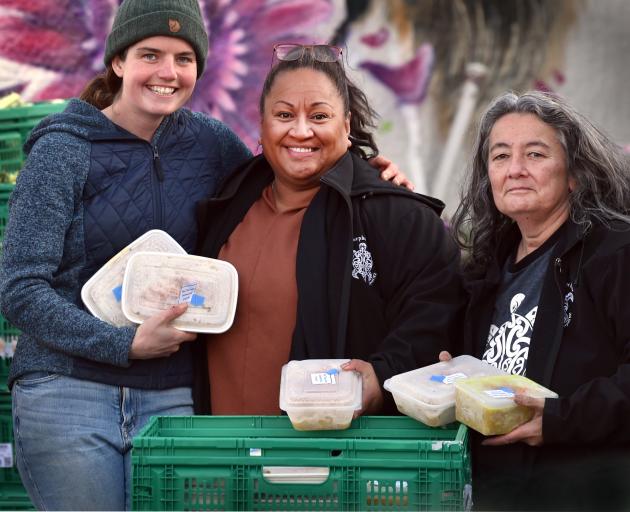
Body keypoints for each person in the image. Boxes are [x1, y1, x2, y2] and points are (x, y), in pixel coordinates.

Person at [0, 3, 409, 511]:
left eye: (184, 58)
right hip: (68, 393)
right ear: (118, 62)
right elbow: (20, 288)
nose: (168, 73)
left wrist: (367, 175)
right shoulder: (63, 151)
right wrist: (120, 343)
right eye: (150, 54)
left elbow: (291, 170)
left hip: (170, 396)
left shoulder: (210, 143)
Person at [192, 43, 464, 418]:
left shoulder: (395, 215)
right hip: (220, 456)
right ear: (262, 123)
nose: (301, 131)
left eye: (319, 116)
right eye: (284, 114)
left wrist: (383, 375)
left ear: (346, 125)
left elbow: (438, 311)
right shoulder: (228, 200)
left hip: (327, 459)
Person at [449, 90, 630, 511]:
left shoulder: (615, 254)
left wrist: (561, 418)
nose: (515, 170)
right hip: (499, 492)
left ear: (574, 174)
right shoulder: (486, 266)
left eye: (534, 154)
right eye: (499, 157)